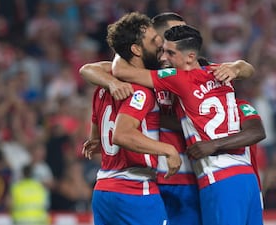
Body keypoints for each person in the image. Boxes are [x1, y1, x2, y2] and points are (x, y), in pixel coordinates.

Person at [80, 12, 257, 225]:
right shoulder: (146, 69)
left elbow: (245, 69)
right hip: (160, 178)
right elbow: (91, 68)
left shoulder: (189, 69)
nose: (178, 36)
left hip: (190, 177)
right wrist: (113, 83)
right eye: (170, 33)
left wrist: (237, 66)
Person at [82, 12, 181, 225]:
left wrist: (101, 143)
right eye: (154, 40)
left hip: (103, 190)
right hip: (135, 189)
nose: (160, 44)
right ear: (136, 49)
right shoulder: (140, 92)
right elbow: (122, 134)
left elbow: (96, 135)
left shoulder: (102, 88)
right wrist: (168, 150)